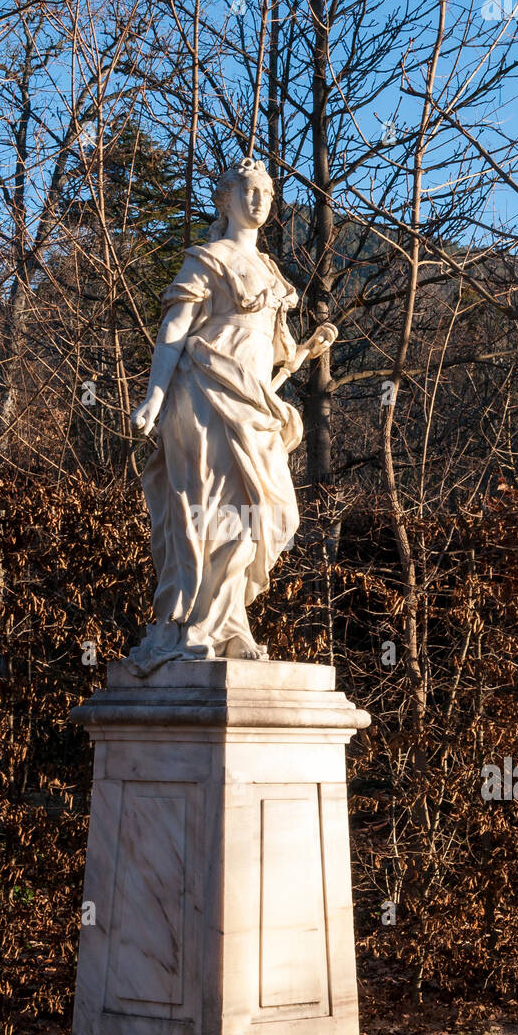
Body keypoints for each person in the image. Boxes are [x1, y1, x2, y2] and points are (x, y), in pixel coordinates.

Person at [126, 157, 335, 674]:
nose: (259, 199)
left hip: (254, 404)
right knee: (209, 511)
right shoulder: (207, 258)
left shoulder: (271, 273)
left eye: (265, 191)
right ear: (226, 199)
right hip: (201, 394)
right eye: (248, 190)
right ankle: (200, 624)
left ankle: (228, 620)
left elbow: (270, 352)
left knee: (271, 512)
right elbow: (174, 331)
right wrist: (153, 396)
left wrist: (306, 348)